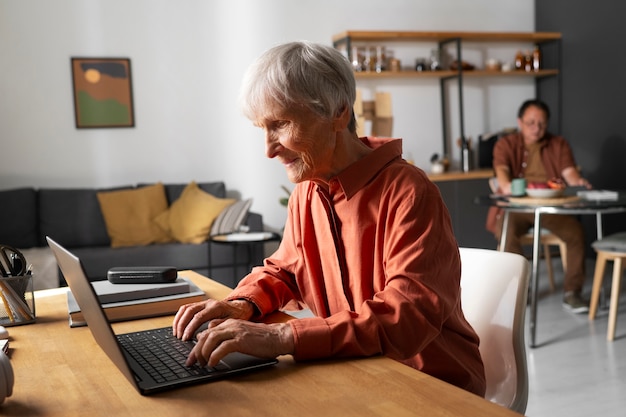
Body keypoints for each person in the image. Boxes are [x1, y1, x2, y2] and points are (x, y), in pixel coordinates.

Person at [173, 41, 486, 396]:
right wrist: (241, 304)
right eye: (262, 127)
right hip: (357, 373)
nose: (269, 149)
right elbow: (285, 271)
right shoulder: (306, 193)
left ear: (338, 112)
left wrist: (283, 336)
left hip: (431, 386)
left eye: (281, 124)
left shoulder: (409, 192)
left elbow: (406, 317)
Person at [487, 99, 592, 313]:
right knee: (506, 231)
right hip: (518, 207)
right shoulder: (505, 144)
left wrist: (578, 182)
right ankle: (519, 291)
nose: (536, 129)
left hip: (549, 207)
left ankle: (573, 292)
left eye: (542, 124)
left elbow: (569, 173)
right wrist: (506, 186)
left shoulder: (558, 144)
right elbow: (502, 171)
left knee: (575, 231)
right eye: (531, 123)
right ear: (520, 122)